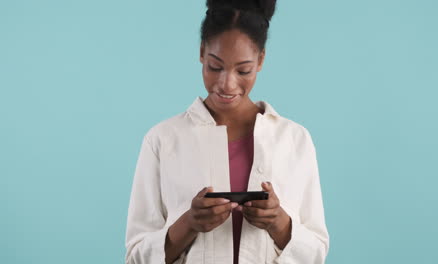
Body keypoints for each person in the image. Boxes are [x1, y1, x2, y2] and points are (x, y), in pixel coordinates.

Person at [125, 0, 329, 263]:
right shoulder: (162, 140)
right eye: (215, 67)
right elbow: (135, 255)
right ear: (201, 53)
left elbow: (316, 251)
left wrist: (278, 222)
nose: (227, 84)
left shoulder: (295, 140)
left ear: (261, 60)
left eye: (243, 70)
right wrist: (188, 223)